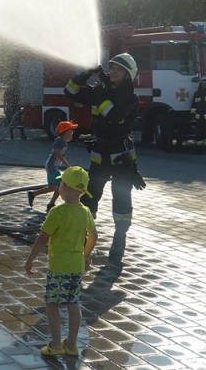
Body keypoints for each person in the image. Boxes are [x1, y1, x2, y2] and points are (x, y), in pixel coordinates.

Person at [64, 54, 141, 262]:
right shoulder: (100, 91)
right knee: (89, 198)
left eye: (118, 69)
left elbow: (113, 115)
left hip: (121, 160)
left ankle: (119, 239)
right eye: (112, 67)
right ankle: (83, 236)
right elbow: (70, 91)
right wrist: (86, 74)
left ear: (127, 76)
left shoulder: (130, 99)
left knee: (122, 200)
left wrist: (99, 90)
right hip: (99, 158)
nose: (113, 71)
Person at [24, 166, 97, 358]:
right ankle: (72, 345)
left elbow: (42, 238)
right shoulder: (85, 212)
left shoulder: (57, 213)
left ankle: (56, 344)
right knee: (73, 304)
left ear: (63, 187)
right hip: (76, 266)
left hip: (59, 268)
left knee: (52, 304)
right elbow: (93, 235)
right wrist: (86, 255)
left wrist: (30, 260)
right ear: (82, 191)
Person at [27, 121, 78, 211]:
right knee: (60, 185)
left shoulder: (61, 141)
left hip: (52, 165)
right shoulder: (60, 142)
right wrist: (67, 165)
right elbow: (58, 154)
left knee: (53, 187)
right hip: (52, 166)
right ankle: (51, 204)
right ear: (64, 132)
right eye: (70, 132)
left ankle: (33, 194)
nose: (72, 133)